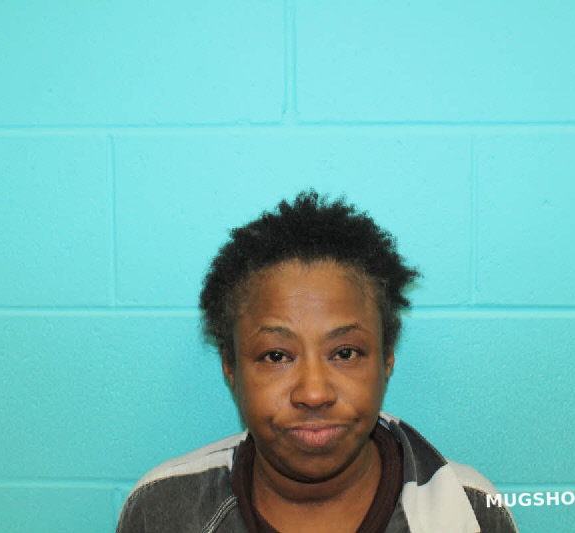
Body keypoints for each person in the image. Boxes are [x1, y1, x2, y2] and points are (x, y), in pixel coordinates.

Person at [116, 191, 517, 533]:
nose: (313, 393)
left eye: (345, 353)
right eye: (276, 356)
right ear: (230, 367)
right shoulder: (162, 509)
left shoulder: (468, 510)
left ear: (387, 358)